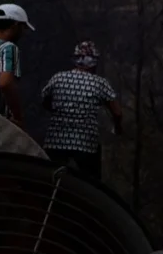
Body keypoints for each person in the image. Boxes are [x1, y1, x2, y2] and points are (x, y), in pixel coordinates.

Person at [41, 41, 123, 181]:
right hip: (86, 142)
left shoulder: (58, 78)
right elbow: (117, 112)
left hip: (56, 140)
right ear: (94, 62)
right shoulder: (100, 83)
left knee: (50, 178)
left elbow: (45, 100)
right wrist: (117, 127)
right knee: (91, 183)